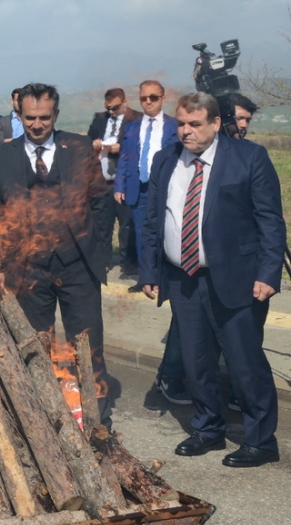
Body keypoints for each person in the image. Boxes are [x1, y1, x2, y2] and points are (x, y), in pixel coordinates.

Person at [140, 92, 285, 467]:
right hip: (183, 278)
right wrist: (150, 270)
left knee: (244, 362)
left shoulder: (248, 157)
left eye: (194, 124)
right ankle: (208, 429)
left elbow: (270, 220)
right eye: (180, 124)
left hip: (238, 279)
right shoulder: (165, 159)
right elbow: (155, 220)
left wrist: (269, 273)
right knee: (196, 361)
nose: (185, 132)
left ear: (216, 123)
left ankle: (260, 441)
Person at [0, 82, 112, 427]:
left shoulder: (82, 148)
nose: (37, 125)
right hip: (27, 268)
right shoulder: (3, 156)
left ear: (55, 115)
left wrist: (98, 251)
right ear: (19, 116)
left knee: (87, 344)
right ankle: (41, 418)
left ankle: (95, 418)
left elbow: (100, 201)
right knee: (34, 346)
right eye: (29, 118)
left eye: (44, 117)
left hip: (77, 265)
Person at [114, 80, 178, 278]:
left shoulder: (173, 126)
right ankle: (146, 278)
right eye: (144, 98)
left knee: (166, 232)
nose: (149, 102)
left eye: (154, 97)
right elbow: (124, 158)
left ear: (163, 99)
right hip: (138, 188)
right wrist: (119, 186)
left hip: (164, 188)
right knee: (142, 234)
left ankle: (166, 276)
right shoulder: (132, 128)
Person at [87, 87, 141, 275]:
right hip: (102, 181)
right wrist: (94, 144)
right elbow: (88, 142)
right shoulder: (99, 119)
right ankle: (103, 260)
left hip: (124, 180)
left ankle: (128, 262)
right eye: (108, 108)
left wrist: (122, 148)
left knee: (127, 224)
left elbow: (141, 148)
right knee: (102, 222)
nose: (111, 111)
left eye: (115, 108)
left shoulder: (137, 119)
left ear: (125, 102)